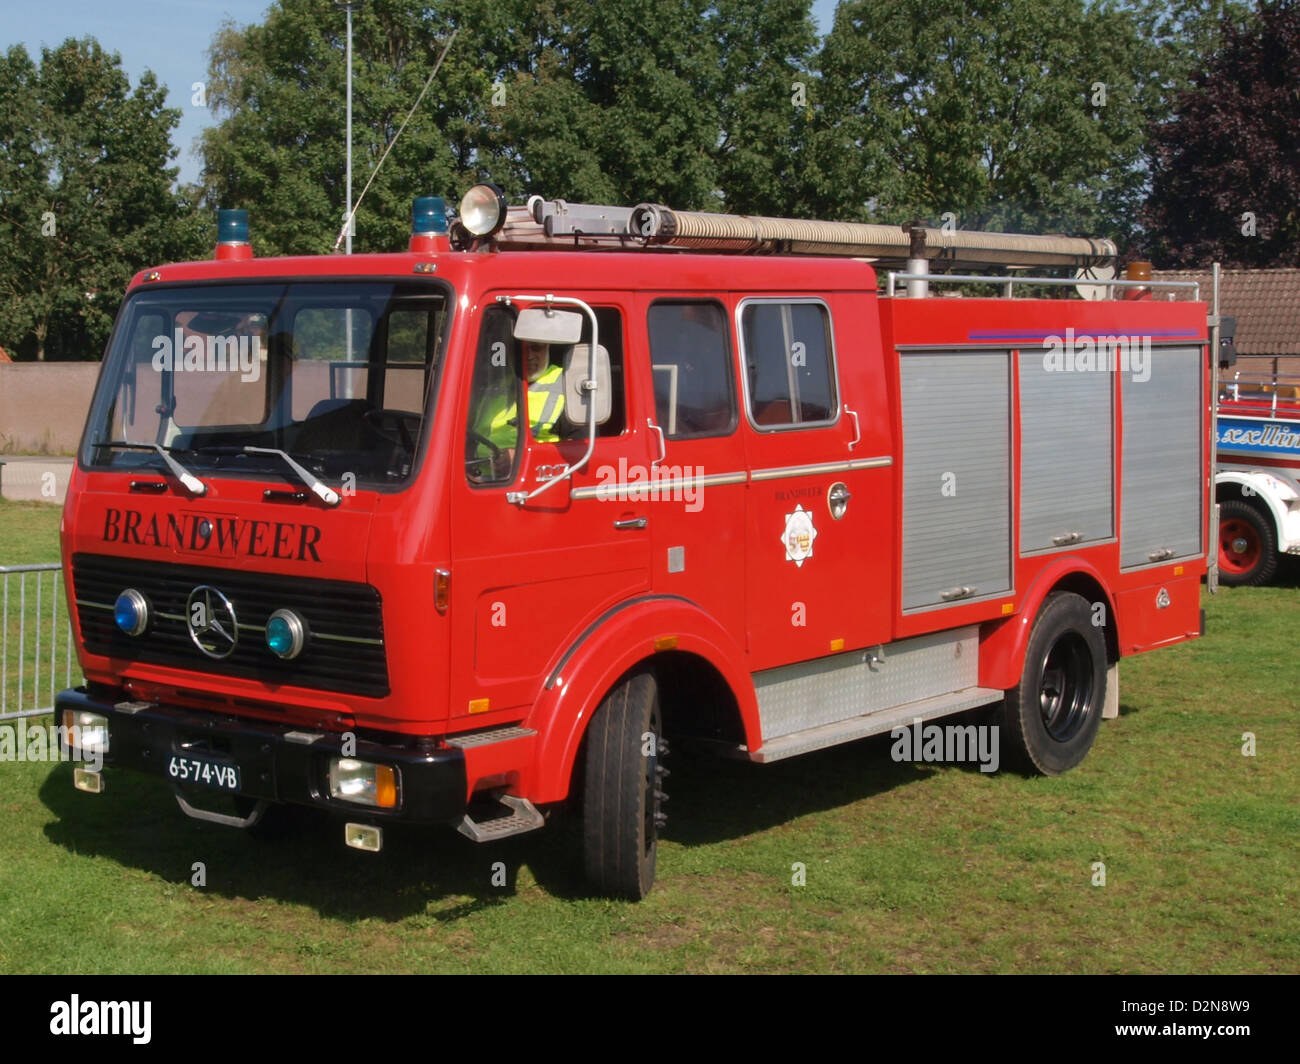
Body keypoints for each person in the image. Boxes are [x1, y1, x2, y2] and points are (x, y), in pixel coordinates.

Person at [471, 340, 566, 478]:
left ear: (548, 346)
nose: (528, 356)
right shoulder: (494, 388)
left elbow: (582, 454)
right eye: (519, 348)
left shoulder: (566, 386)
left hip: (536, 486)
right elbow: (468, 440)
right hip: (479, 484)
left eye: (536, 347)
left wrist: (523, 457)